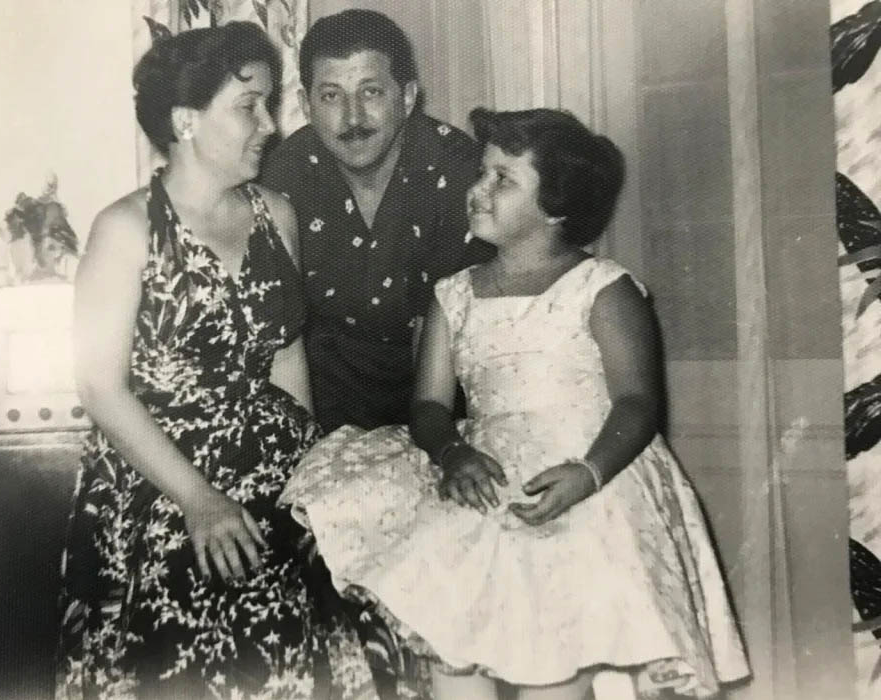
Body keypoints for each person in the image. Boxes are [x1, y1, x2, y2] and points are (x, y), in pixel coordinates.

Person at [280, 108, 751, 700]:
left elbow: (636, 403)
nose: (477, 189)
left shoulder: (602, 288)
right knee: (458, 638)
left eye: (503, 179)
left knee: (558, 652)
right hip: (488, 480)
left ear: (555, 207)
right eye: (482, 173)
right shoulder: (454, 295)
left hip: (588, 483)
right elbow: (427, 404)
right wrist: (451, 452)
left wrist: (589, 473)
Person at [56, 22, 377, 699]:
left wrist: (309, 477)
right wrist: (199, 500)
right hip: (163, 478)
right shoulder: (125, 230)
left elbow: (285, 353)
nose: (270, 124)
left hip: (271, 468)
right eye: (248, 106)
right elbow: (99, 385)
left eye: (268, 103)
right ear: (185, 121)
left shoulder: (275, 214)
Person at [261, 9, 493, 436]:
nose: (352, 118)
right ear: (304, 105)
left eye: (370, 92)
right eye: (331, 96)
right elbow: (278, 340)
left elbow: (454, 328)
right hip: (323, 403)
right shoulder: (281, 180)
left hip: (445, 402)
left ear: (406, 98)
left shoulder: (460, 173)